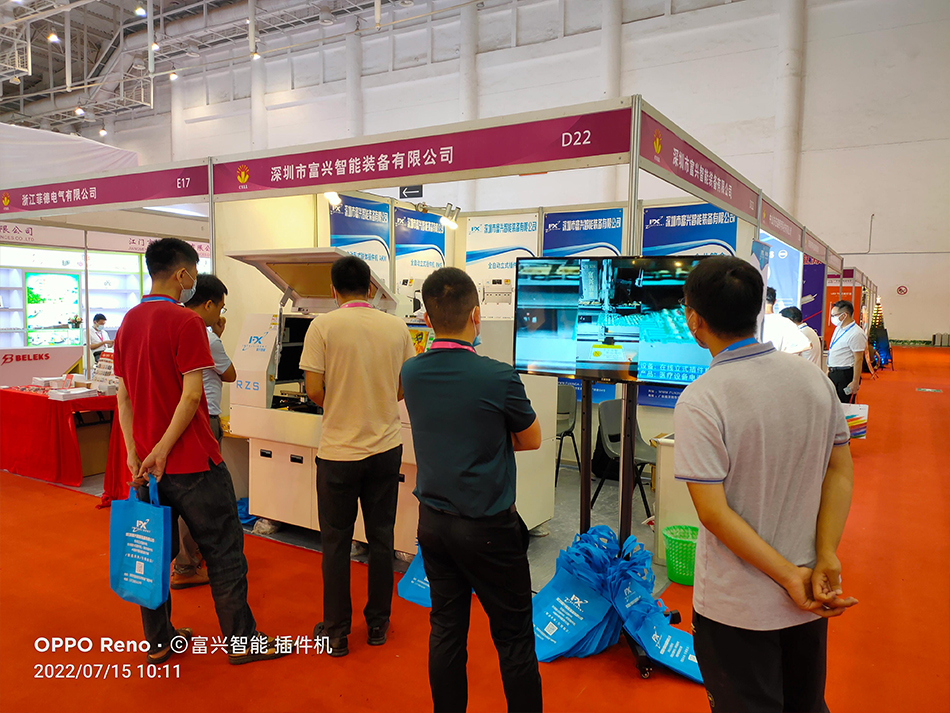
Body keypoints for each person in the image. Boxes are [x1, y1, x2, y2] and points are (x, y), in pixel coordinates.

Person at [675, 256, 857, 713]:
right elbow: (839, 471)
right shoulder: (814, 379)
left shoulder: (701, 399)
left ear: (694, 320)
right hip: (809, 594)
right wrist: (825, 553)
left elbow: (714, 513)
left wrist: (789, 577)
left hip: (737, 607)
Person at [114, 237, 287, 666]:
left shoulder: (129, 321)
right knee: (224, 552)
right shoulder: (187, 323)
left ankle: (159, 641)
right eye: (192, 272)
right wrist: (163, 449)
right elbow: (192, 396)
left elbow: (123, 396)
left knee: (152, 553)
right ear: (182, 274)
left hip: (148, 469)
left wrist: (136, 453)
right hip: (192, 462)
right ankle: (242, 642)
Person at [401, 267, 544, 713]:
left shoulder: (411, 372)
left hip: (433, 523)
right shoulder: (498, 377)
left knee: (446, 629)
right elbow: (532, 439)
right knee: (514, 638)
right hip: (488, 528)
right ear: (476, 315)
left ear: (427, 318)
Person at [299, 255, 415, 658]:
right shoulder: (397, 327)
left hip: (338, 453)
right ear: (371, 288)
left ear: (333, 291)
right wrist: (376, 401)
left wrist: (342, 405)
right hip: (385, 449)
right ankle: (378, 624)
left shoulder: (322, 326)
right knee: (382, 538)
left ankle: (336, 632)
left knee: (335, 542)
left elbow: (314, 390)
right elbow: (404, 386)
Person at [167, 275, 237, 590]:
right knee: (198, 496)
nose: (220, 313)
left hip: (176, 421)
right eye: (220, 307)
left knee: (180, 492)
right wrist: (217, 337)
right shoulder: (206, 337)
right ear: (208, 304)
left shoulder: (175, 327)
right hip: (203, 419)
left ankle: (186, 558)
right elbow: (230, 374)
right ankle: (186, 564)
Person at [827, 300, 868, 404]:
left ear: (844, 315)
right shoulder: (839, 328)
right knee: (831, 404)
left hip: (845, 374)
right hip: (834, 372)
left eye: (834, 315)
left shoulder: (856, 333)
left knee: (843, 405)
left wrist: (855, 381)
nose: (832, 318)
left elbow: (858, 359)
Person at [762, 287, 810, 355]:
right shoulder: (785, 322)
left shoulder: (755, 322)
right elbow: (806, 345)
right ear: (775, 301)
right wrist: (781, 353)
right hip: (776, 360)